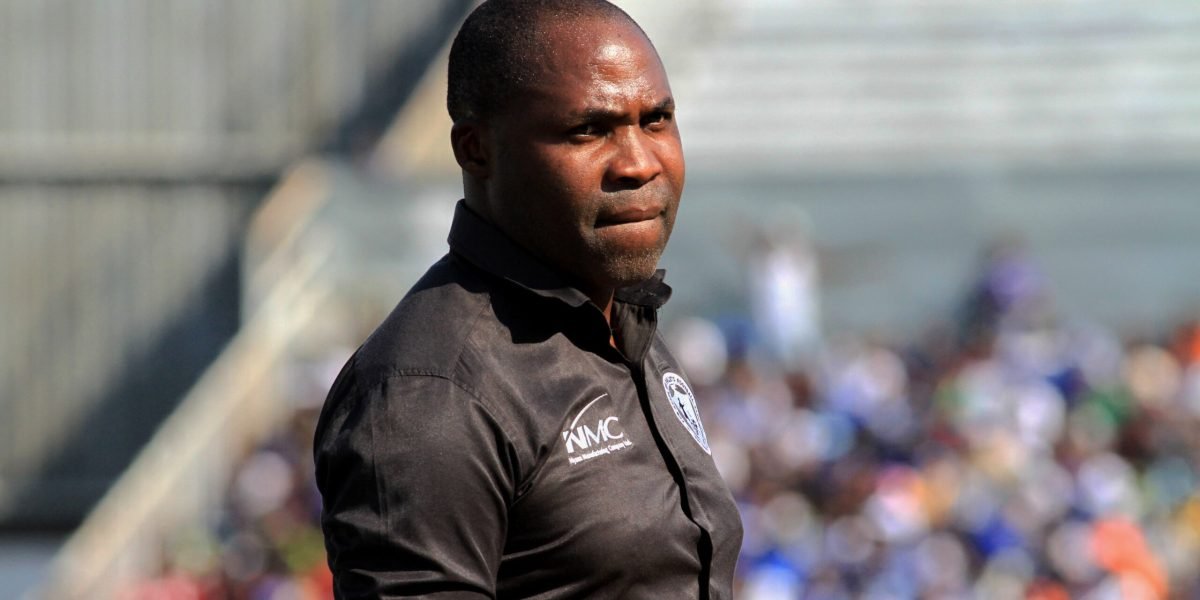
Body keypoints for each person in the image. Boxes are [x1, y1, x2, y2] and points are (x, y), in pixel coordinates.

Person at [314, 1, 743, 598]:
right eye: (588, 130)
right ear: (475, 150)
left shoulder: (622, 317)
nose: (639, 163)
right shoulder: (431, 392)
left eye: (656, 119)